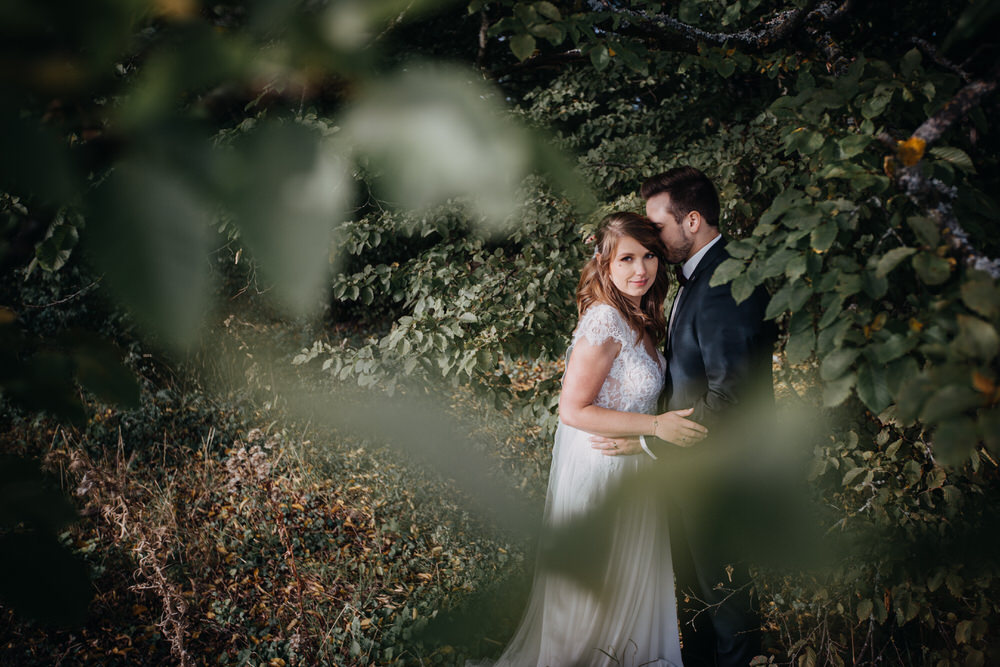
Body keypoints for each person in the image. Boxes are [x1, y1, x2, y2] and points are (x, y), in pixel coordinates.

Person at [483, 212, 707, 667]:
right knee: (595, 592)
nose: (640, 270)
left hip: (634, 466)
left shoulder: (638, 316)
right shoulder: (604, 320)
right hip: (601, 469)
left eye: (648, 256)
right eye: (626, 258)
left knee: (628, 586)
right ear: (604, 263)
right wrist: (656, 427)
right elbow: (572, 409)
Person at [592, 167, 776, 667]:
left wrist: (650, 443)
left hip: (718, 475)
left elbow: (731, 396)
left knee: (728, 606)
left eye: (659, 226)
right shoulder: (700, 276)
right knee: (698, 601)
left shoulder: (722, 283)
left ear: (692, 220)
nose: (654, 239)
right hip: (691, 471)